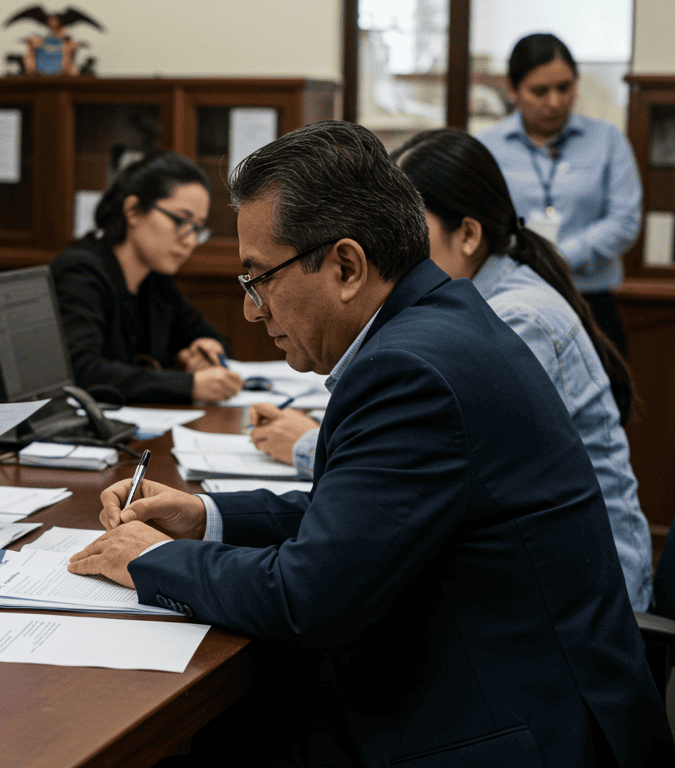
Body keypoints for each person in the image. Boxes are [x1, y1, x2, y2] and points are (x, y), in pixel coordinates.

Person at [67, 121, 672, 765]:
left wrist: (147, 560)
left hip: (512, 731)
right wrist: (208, 517)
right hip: (506, 684)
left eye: (258, 279)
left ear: (348, 266)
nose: (251, 310)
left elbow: (310, 598)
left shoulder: (411, 371)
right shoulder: (440, 324)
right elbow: (372, 514)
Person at [250, 127, 653, 610]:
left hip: (583, 597)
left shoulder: (514, 317)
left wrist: (303, 444)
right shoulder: (474, 304)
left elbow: (420, 448)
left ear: (467, 234)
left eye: (411, 228)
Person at [477, 32, 641, 356]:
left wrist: (559, 258)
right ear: (512, 89)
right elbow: (479, 221)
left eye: (564, 88)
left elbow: (624, 222)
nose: (554, 102)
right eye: (540, 91)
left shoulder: (607, 140)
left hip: (591, 303)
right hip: (509, 301)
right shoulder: (487, 146)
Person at [51, 149, 241, 404]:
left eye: (198, 227)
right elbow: (82, 371)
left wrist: (204, 351)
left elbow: (211, 337)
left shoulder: (154, 277)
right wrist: (188, 385)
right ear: (133, 210)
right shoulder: (79, 272)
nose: (191, 240)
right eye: (181, 220)